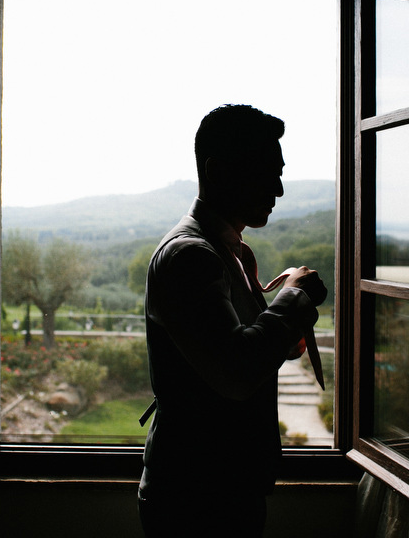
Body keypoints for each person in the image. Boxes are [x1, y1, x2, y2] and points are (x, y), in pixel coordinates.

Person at [137, 104, 327, 537]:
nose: (279, 189)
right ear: (218, 169)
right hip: (196, 502)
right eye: (266, 171)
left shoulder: (224, 251)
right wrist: (293, 297)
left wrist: (281, 335)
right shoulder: (190, 257)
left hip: (218, 493)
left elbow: (234, 352)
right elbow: (236, 372)